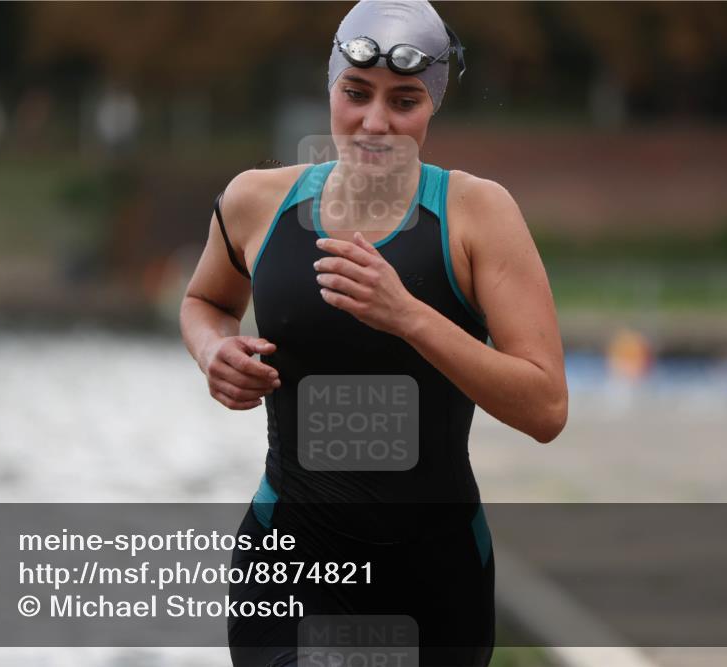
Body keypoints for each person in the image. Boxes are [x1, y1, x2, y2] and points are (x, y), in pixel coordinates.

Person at [179, 1, 567, 665]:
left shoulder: (477, 214)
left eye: (405, 100)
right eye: (355, 93)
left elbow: (545, 407)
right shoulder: (255, 201)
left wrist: (408, 314)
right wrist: (215, 349)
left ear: (433, 105)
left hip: (435, 577)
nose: (375, 122)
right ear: (330, 87)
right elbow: (204, 299)